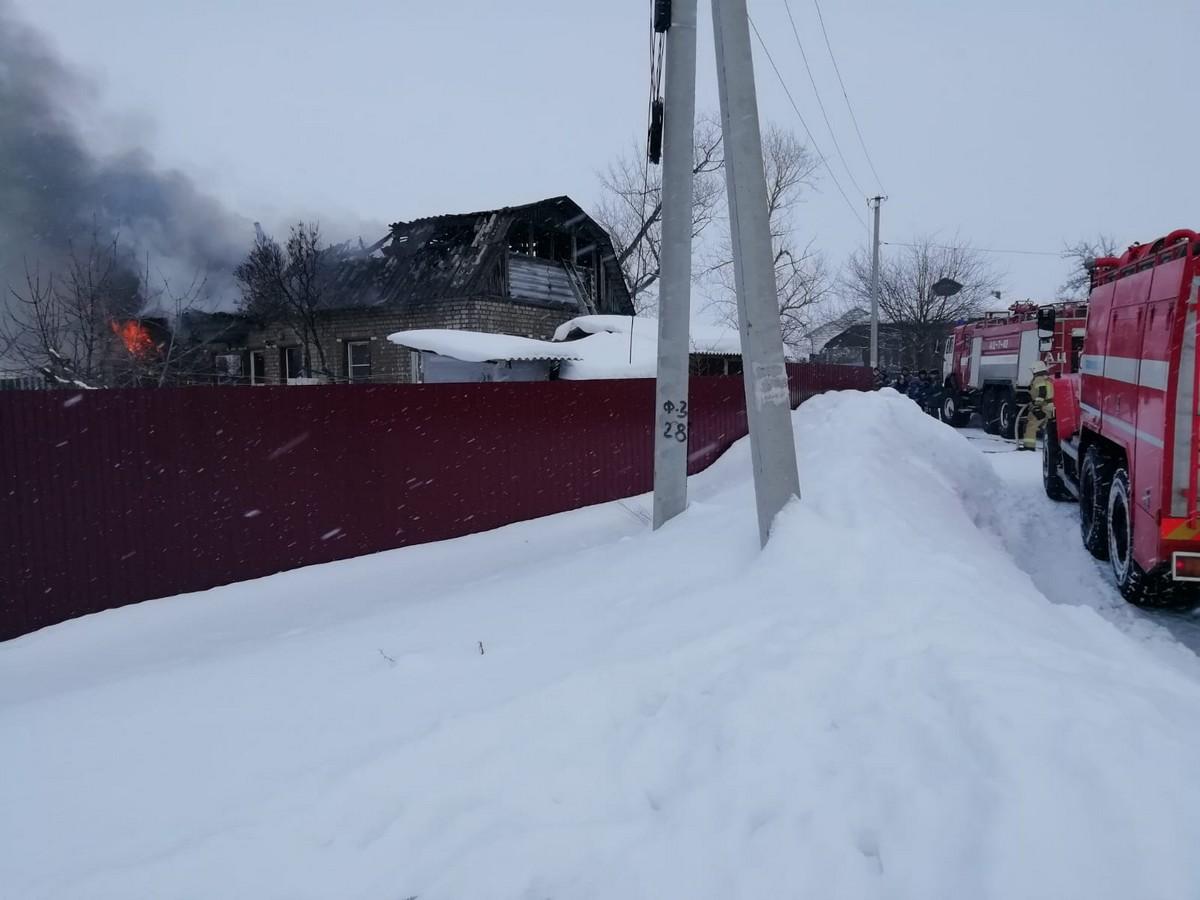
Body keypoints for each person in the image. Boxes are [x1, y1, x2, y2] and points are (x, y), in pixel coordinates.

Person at [1021, 360, 1054, 450]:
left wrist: (1037, 405)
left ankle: (1029, 447)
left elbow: (1042, 392)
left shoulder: (1038, 379)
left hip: (1044, 406)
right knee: (1048, 426)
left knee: (1030, 424)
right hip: (1051, 406)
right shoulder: (1047, 378)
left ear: (1036, 369)